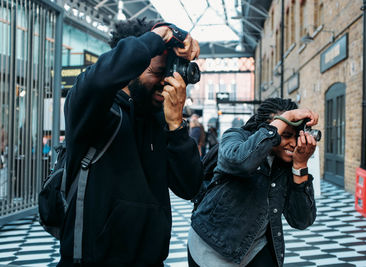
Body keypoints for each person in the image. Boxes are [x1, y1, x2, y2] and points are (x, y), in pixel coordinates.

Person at [59, 18, 203, 266]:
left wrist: (176, 126)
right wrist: (161, 34)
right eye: (158, 72)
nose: (166, 82)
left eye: (170, 73)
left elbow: (190, 187)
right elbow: (100, 79)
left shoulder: (160, 119)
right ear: (129, 67)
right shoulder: (95, 109)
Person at [188, 98, 318, 267]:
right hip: (213, 245)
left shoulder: (287, 162)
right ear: (265, 128)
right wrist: (289, 116)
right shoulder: (236, 137)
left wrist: (300, 165)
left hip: (256, 247)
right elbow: (240, 162)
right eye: (286, 134)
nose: (293, 144)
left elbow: (301, 220)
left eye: (296, 136)